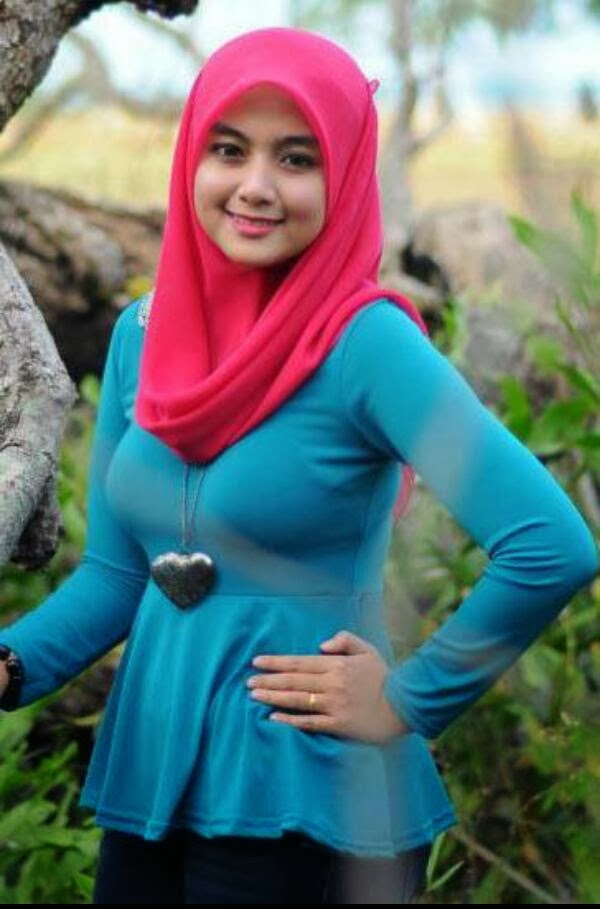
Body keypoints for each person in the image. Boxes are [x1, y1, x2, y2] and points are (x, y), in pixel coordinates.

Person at [0, 26, 597, 905]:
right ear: (190, 157)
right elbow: (121, 575)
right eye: (228, 150)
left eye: (296, 158)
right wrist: (11, 663)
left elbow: (549, 543)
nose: (255, 185)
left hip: (306, 789)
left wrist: (410, 698)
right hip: (155, 778)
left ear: (344, 175)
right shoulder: (142, 335)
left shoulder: (366, 344)